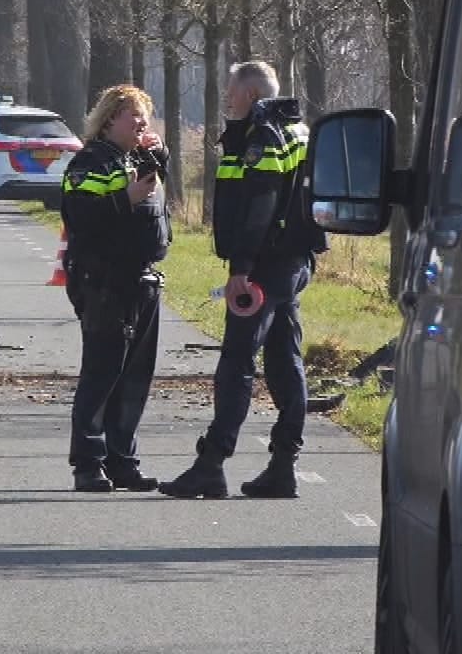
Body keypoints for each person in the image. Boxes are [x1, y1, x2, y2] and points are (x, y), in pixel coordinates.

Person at [160, 61, 323, 499]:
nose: (227, 101)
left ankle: (211, 463)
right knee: (285, 360)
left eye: (231, 94)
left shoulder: (263, 138)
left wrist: (241, 270)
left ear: (250, 96)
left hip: (265, 267)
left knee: (237, 363)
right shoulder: (298, 131)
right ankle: (283, 464)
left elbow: (260, 206)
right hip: (292, 262)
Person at [61, 85, 172, 492]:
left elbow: (155, 202)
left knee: (135, 378)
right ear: (110, 120)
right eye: (133, 116)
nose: (142, 123)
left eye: (145, 115)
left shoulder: (137, 158)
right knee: (102, 373)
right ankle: (88, 463)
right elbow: (80, 217)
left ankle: (121, 459)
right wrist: (123, 199)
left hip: (142, 279)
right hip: (104, 281)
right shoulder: (89, 163)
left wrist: (160, 156)